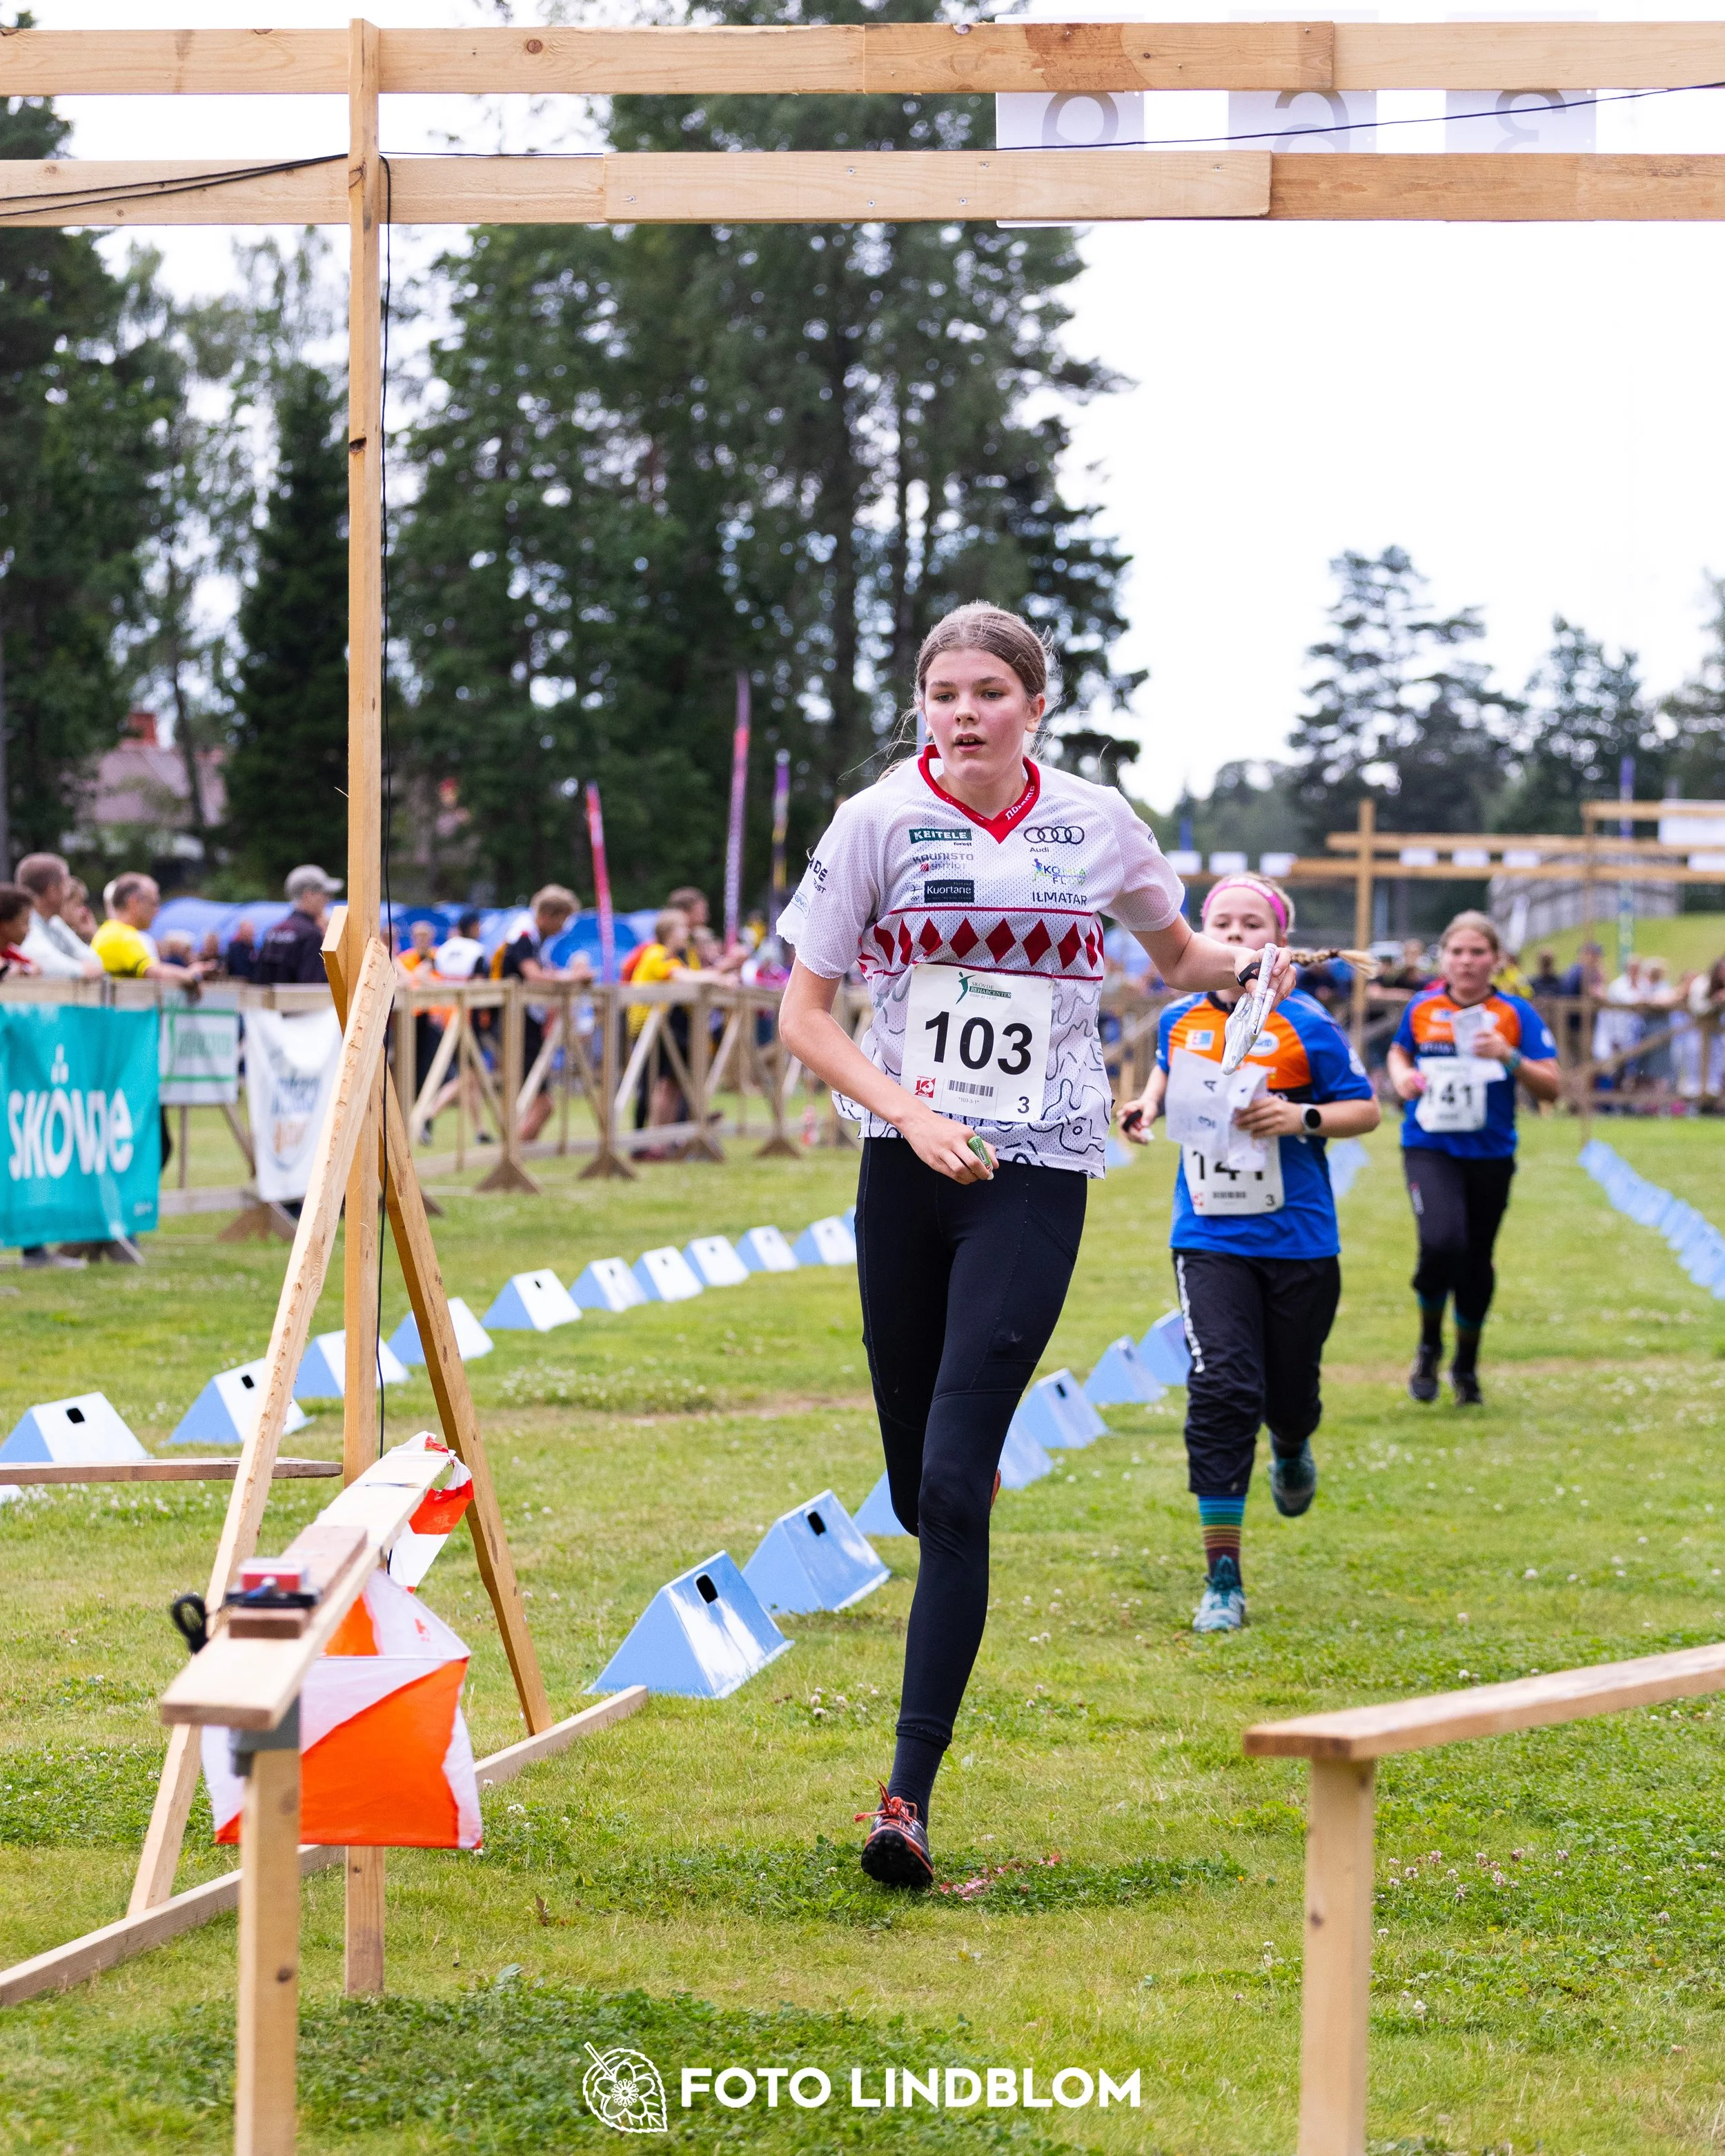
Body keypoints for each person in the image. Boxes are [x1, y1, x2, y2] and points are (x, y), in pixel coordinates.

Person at [776, 600, 1297, 1888]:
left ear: (1034, 706)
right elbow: (805, 1015)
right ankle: (947, 1479)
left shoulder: (1097, 824)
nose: (962, 714)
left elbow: (1173, 950)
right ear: (922, 707)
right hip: (906, 1169)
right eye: (942, 693)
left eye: (988, 693)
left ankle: (905, 1800)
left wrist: (1238, 968)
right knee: (914, 1480)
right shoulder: (877, 824)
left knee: (954, 1483)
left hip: (1038, 1168)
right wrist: (908, 1113)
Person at [1120, 876, 1380, 1634]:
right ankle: (1222, 1575)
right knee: (1223, 1386)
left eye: (1252, 922)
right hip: (1206, 1236)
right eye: (1220, 922)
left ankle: (1293, 1442)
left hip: (1299, 1237)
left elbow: (1362, 1108)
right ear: (1200, 937)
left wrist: (1298, 1115)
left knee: (1288, 1393)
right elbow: (1164, 1083)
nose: (1236, 933)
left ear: (1280, 939)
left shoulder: (1309, 1024)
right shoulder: (1179, 1020)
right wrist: (1141, 1107)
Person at [1386, 910, 1561, 1407]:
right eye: (1457, 951)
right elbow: (1400, 1052)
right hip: (1430, 1145)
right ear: (1444, 956)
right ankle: (1428, 1345)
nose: (1466, 961)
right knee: (1441, 1242)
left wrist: (1508, 1056)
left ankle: (1466, 1364)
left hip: (1489, 1151)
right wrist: (1402, 1077)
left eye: (1477, 952)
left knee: (1475, 1260)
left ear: (1497, 959)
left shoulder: (1514, 1013)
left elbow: (1553, 1085)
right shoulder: (1422, 1007)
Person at [492, 886, 591, 1142]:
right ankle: (514, 1153)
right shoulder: (523, 935)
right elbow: (534, 976)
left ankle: (516, 1152)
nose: (564, 927)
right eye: (563, 919)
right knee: (541, 1102)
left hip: (525, 1020)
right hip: (516, 1021)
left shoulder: (534, 938)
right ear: (548, 915)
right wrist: (573, 977)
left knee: (539, 1102)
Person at [91, 873, 206, 987]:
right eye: (154, 903)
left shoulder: (109, 931)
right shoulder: (122, 936)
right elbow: (154, 973)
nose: (158, 911)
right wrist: (191, 975)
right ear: (134, 902)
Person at [14, 854, 101, 980]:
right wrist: (82, 971)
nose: (67, 892)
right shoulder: (24, 925)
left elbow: (95, 961)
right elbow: (50, 966)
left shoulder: (54, 923)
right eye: (65, 885)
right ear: (52, 891)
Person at [254, 865, 341, 987]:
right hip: (298, 1005)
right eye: (324, 894)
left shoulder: (273, 931)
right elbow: (313, 988)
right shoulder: (312, 934)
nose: (328, 900)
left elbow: (259, 980)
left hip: (269, 1005)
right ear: (308, 895)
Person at [0, 884, 37, 978]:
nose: (28, 930)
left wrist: (24, 970)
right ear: (5, 924)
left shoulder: (5, 950)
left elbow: (36, 967)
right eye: (25, 922)